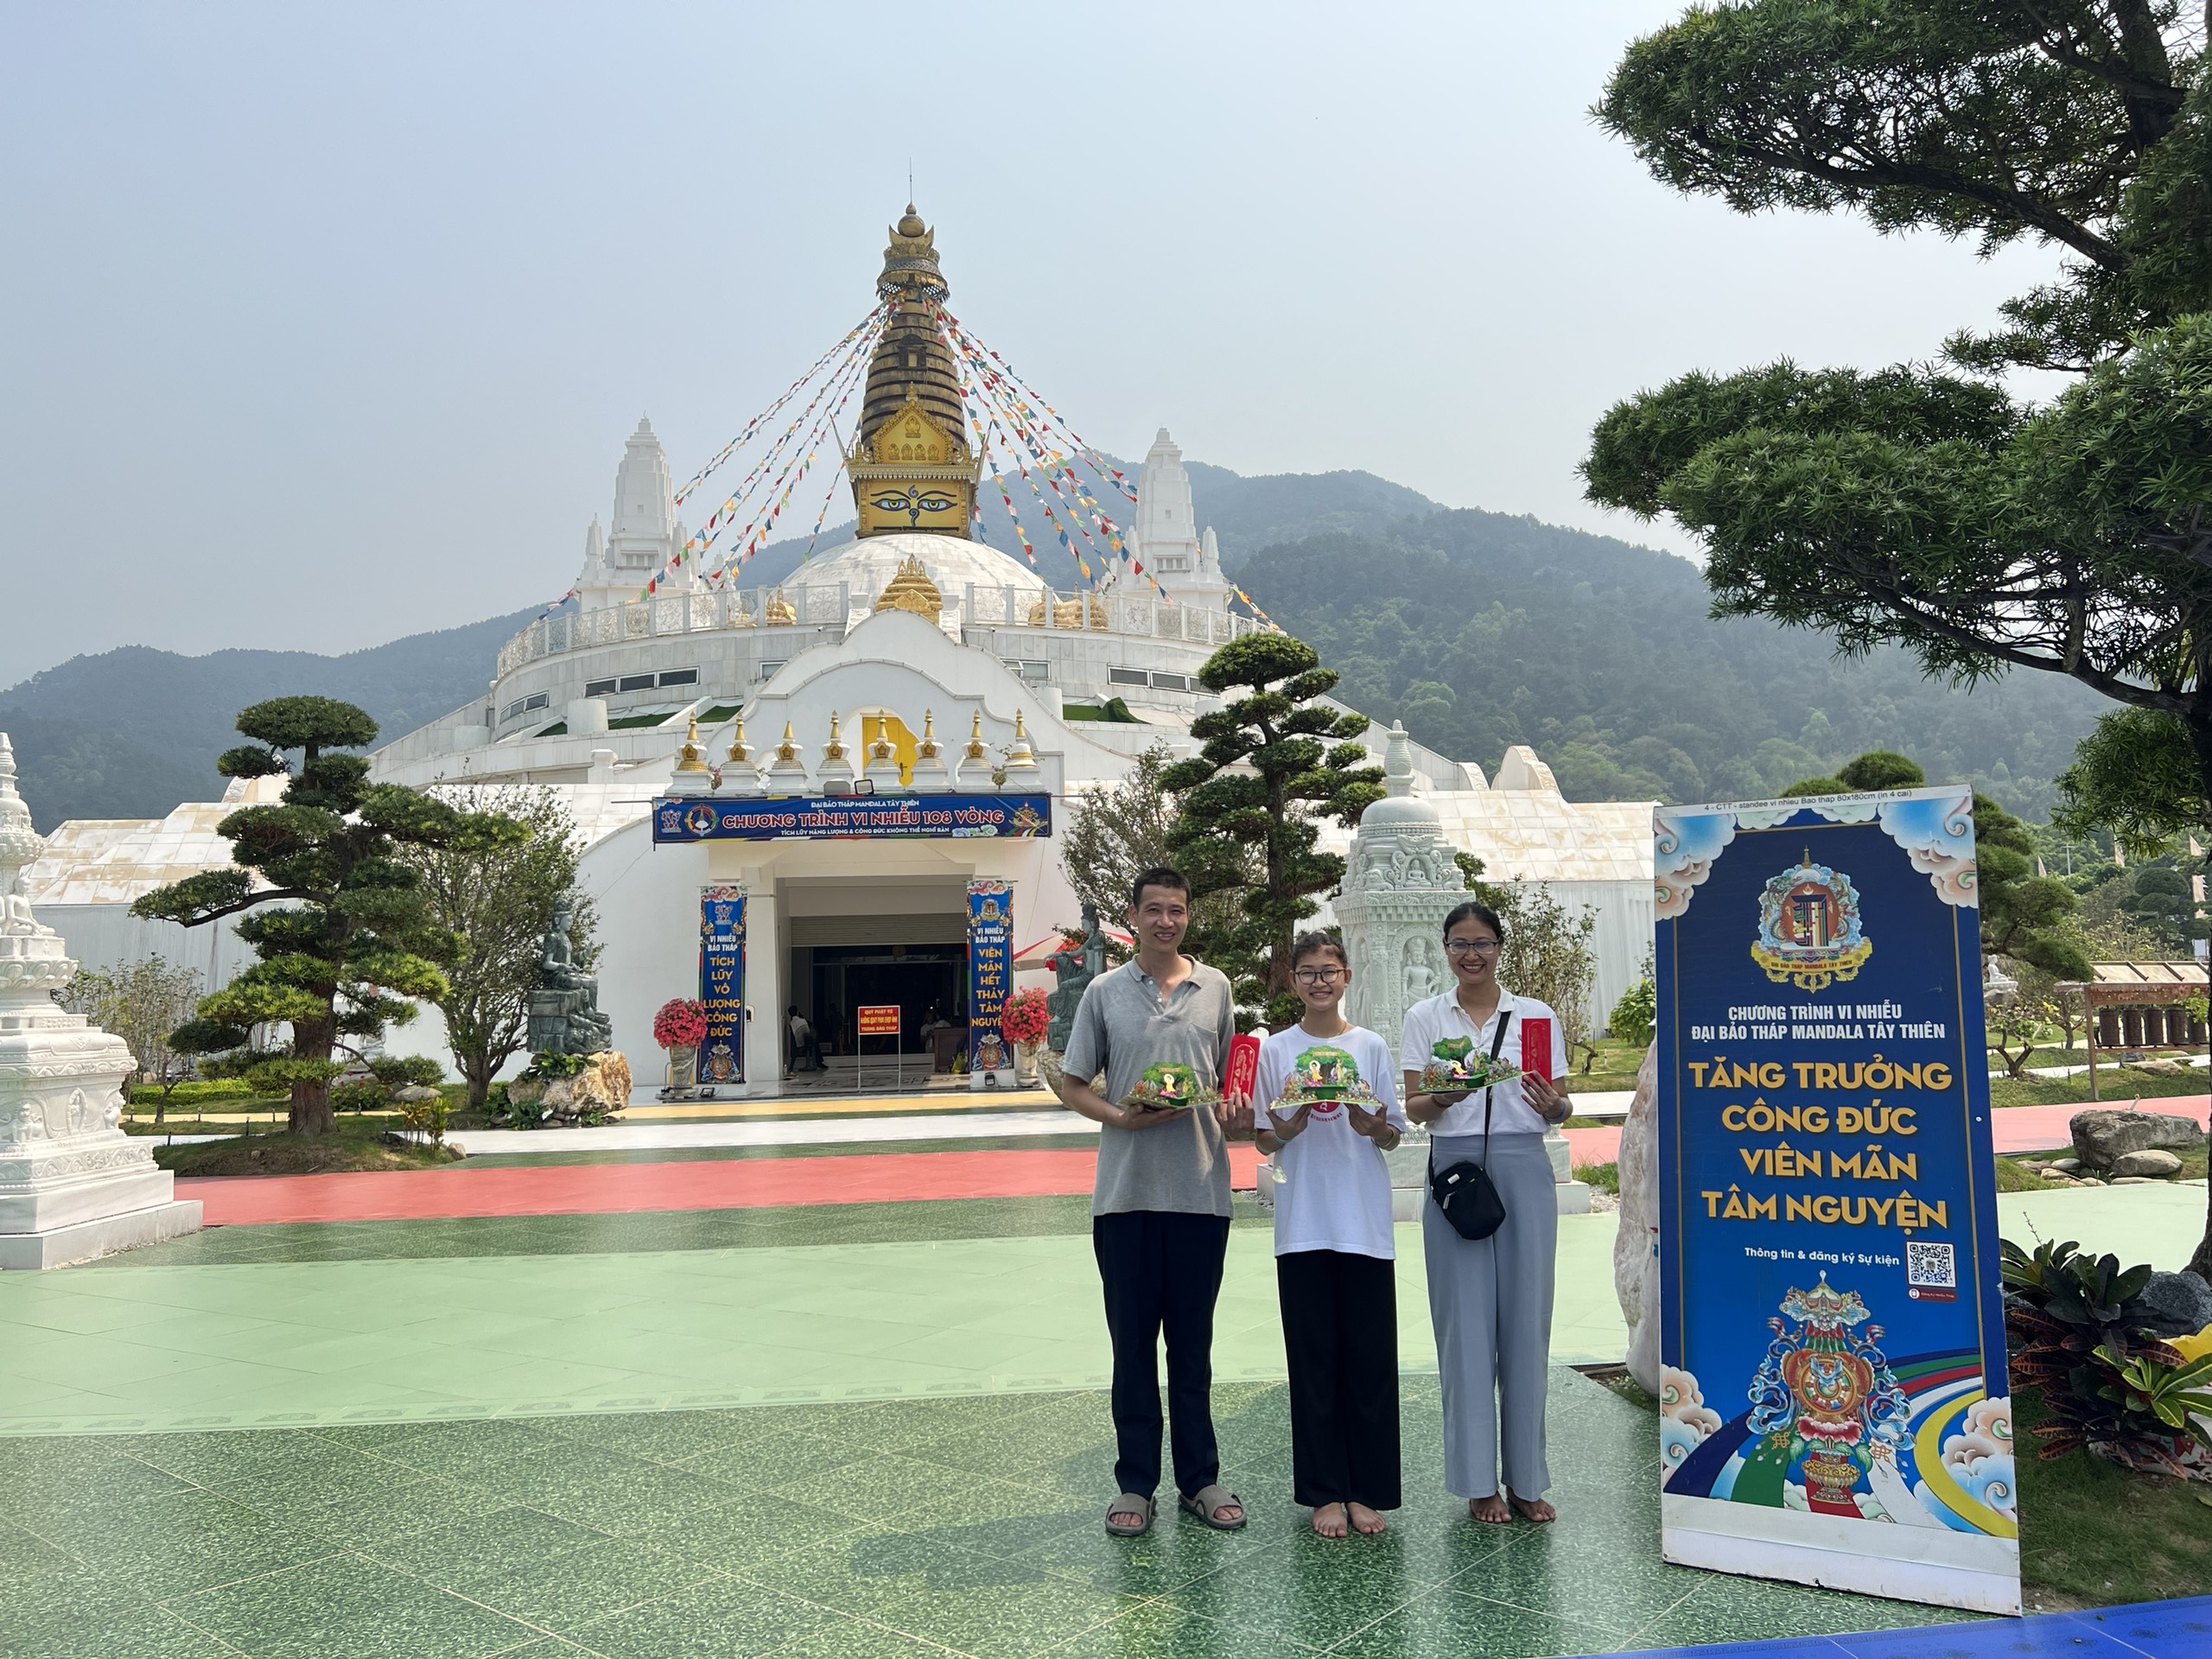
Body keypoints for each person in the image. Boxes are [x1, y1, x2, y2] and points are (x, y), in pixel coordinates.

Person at [1058, 866, 1246, 1538]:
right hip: (1125, 1197)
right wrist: (1120, 1117)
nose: (1166, 921)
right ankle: (1135, 1484)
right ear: (1134, 916)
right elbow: (1072, 1083)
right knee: (1132, 1348)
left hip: (1200, 1193)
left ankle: (1200, 1479)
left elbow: (1228, 1083)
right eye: (1155, 910)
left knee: (1192, 1350)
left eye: (1177, 910)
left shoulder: (1216, 988)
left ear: (1188, 916)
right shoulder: (1105, 992)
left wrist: (1239, 1112)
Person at [1400, 899, 1573, 1525]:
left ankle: (1526, 1478)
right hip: (1455, 1172)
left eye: (1482, 943)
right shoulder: (1425, 1016)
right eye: (1459, 944)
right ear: (1445, 949)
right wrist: (1442, 1097)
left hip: (1524, 1166)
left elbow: (1561, 1105)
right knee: (1464, 1328)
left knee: (1527, 1321)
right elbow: (1415, 1105)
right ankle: (1478, 1482)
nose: (1471, 955)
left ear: (1499, 948)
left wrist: (1555, 1107)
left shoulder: (1535, 1016)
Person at [1248, 929, 1404, 1538]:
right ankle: (1322, 1493)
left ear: (1346, 977)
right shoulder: (1276, 1050)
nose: (1320, 981)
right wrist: (1286, 1129)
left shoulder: (1370, 1046)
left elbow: (1392, 1134)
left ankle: (1367, 1490)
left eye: (1329, 971)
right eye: (1308, 972)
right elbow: (1263, 1136)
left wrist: (1374, 1128)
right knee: (1313, 1363)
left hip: (1364, 1223)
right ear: (1293, 981)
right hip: (1303, 1223)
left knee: (1370, 1362)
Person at [786, 1006, 822, 1073]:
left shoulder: (791, 1023)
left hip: (798, 1043)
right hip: (806, 1042)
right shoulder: (803, 1020)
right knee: (814, 1043)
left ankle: (792, 1067)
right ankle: (815, 1064)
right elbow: (807, 1031)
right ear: (797, 1012)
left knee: (810, 1042)